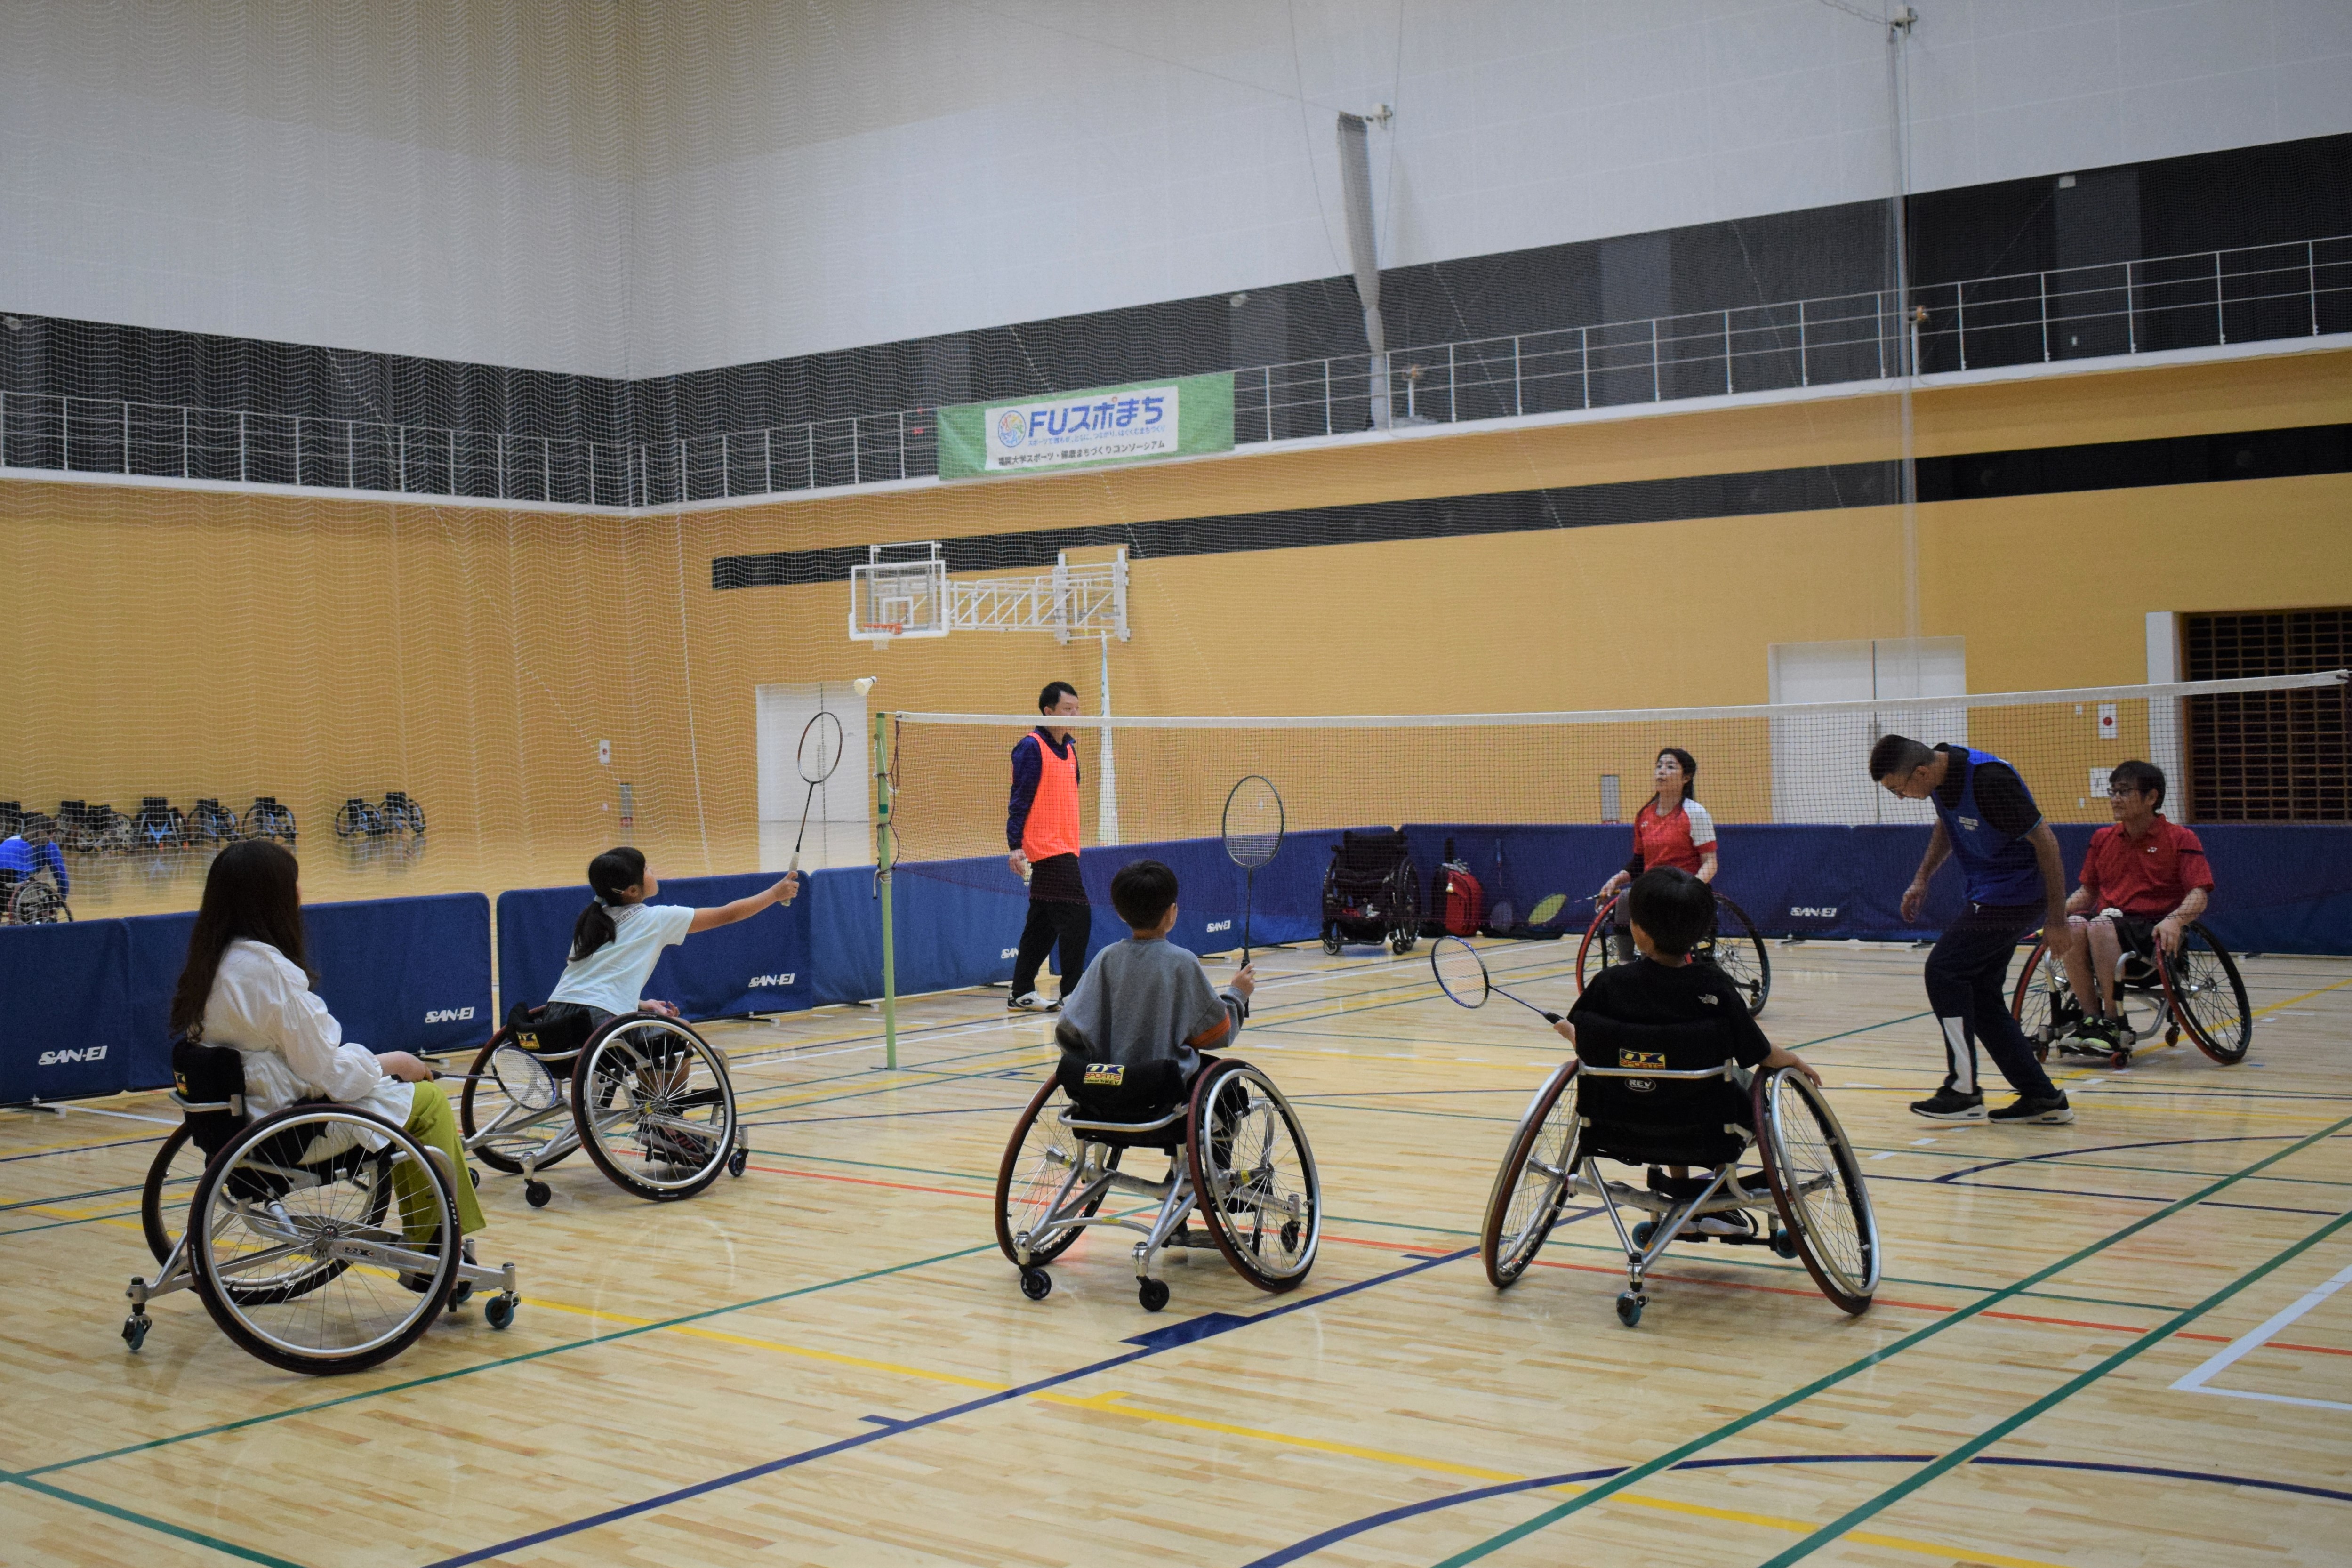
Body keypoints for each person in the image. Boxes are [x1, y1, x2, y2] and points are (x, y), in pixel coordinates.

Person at [166, 839, 486, 1262]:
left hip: (238, 1128)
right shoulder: (270, 971)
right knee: (427, 1103)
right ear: (272, 897)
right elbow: (331, 1074)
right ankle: (438, 1251)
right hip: (287, 1132)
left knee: (399, 1099)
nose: (300, 893)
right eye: (294, 883)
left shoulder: (209, 965)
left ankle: (433, 1242)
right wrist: (395, 1062)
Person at [1556, 867, 1819, 1232]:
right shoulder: (1715, 986)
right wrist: (1793, 1060)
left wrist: (1568, 1031)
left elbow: (1588, 1041)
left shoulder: (1608, 984)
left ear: (1638, 931)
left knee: (1657, 1074)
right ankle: (1717, 1196)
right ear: (1701, 932)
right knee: (1729, 1079)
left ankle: (1683, 1193)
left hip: (1618, 1124)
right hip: (1705, 1130)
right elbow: (1759, 1052)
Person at [1870, 734, 2077, 1125]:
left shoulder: (1989, 781)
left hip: (2018, 893)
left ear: (1921, 772)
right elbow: (1947, 824)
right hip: (1988, 892)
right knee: (1981, 996)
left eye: (1898, 789)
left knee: (1943, 970)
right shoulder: (1939, 777)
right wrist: (1922, 878)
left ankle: (1962, 1089)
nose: (1899, 797)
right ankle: (2042, 1097)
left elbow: (2047, 843)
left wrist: (2056, 920)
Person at [1053, 859, 1254, 1107]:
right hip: (1162, 1092)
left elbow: (1068, 1030)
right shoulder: (1182, 962)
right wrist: (1237, 994)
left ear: (1120, 913)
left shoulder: (1105, 959)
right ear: (1172, 912)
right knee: (1226, 1087)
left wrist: (1098, 1067)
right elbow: (1218, 1032)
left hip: (1103, 1092)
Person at [540, 846, 799, 1037]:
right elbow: (728, 914)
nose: (652, 872)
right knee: (681, 1031)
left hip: (555, 1018)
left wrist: (641, 1005)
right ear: (632, 891)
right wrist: (775, 894)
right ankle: (662, 1100)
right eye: (646, 870)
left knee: (657, 1036)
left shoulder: (591, 922)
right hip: (599, 1022)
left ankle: (650, 1098)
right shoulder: (657, 918)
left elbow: (590, 985)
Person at [2058, 759, 2214, 1047]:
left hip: (2152, 934)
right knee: (2074, 924)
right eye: (2113, 792)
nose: (2116, 799)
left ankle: (2113, 1021)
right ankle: (2091, 1019)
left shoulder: (2182, 838)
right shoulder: (2102, 839)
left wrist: (2175, 920)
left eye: (2125, 791)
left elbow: (2199, 893)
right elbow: (2088, 892)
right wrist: (2056, 914)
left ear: (2151, 797)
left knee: (2100, 925)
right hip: (2107, 927)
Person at [1006, 680, 1093, 1011]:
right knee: (1077, 916)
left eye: (1077, 709)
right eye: (1067, 709)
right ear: (1048, 711)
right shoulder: (1031, 747)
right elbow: (1020, 799)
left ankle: (1021, 992)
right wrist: (1015, 845)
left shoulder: (1070, 748)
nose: (1075, 714)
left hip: (1067, 845)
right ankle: (1072, 993)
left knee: (1042, 923)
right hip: (1045, 848)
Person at [1595, 747, 1714, 962]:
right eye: (1659, 766)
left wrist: (1689, 890)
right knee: (1626, 897)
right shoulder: (1644, 815)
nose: (1661, 771)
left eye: (1670, 767)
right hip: (1653, 889)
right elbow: (1639, 863)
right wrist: (1615, 880)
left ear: (1686, 777)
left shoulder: (1695, 813)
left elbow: (1711, 863)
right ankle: (1626, 963)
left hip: (1684, 890)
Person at [0, 812, 70, 904]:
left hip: (6, 878)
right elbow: (61, 875)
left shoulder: (14, 838)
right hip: (14, 876)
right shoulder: (48, 845)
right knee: (39, 902)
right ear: (52, 834)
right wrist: (62, 899)